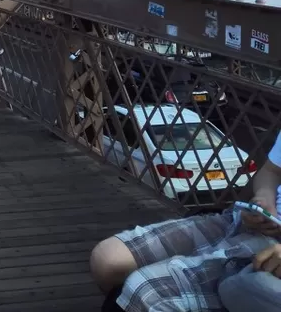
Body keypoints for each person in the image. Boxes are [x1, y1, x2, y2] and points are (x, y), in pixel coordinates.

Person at [91, 129, 281, 311]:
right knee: (108, 260)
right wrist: (264, 198)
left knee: (145, 292)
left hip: (273, 250)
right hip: (249, 221)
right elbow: (272, 171)